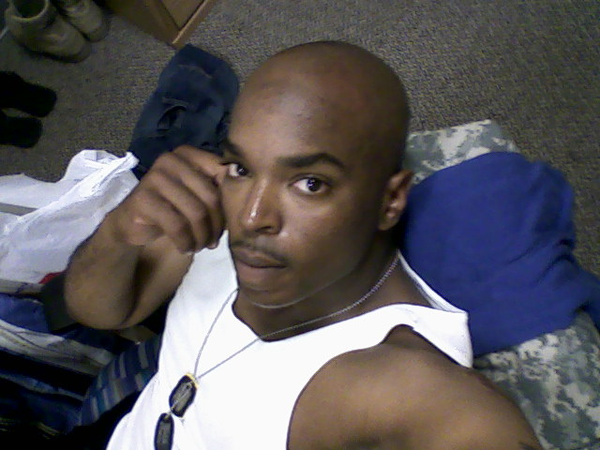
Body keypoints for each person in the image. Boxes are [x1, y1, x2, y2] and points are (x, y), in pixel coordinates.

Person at [64, 41, 543, 449]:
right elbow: (101, 313)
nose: (252, 218)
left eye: (310, 183)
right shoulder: (219, 209)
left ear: (390, 200)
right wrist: (119, 231)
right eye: (242, 167)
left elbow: (462, 423)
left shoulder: (393, 380)